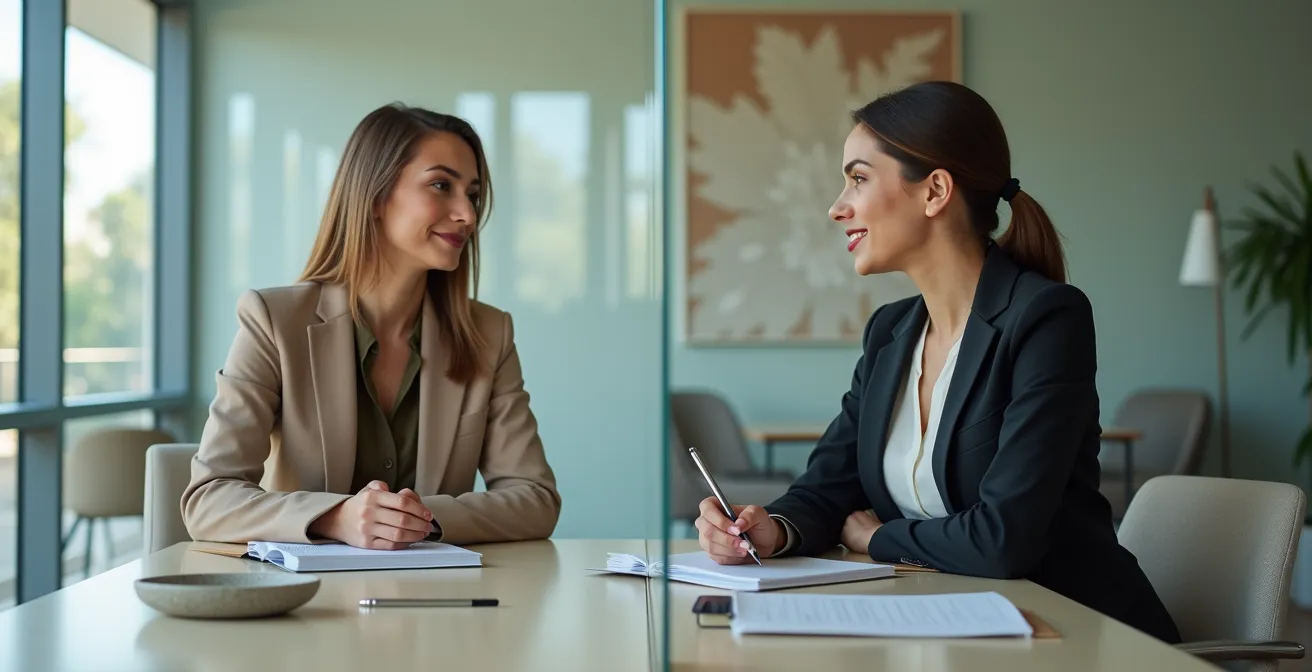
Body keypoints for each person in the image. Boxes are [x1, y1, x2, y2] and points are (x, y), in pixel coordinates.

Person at [693, 81, 1180, 643]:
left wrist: (878, 539)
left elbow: (1005, 537)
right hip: (954, 629)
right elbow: (828, 486)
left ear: (934, 192)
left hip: (1071, 636)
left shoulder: (1046, 318)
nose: (836, 207)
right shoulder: (890, 333)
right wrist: (772, 529)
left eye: (858, 178)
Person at [182, 103, 561, 550]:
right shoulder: (274, 321)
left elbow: (535, 498)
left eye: (473, 194)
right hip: (304, 606)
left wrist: (415, 520)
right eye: (441, 185)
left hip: (439, 607)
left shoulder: (488, 334)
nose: (468, 215)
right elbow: (209, 499)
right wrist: (334, 517)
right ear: (376, 196)